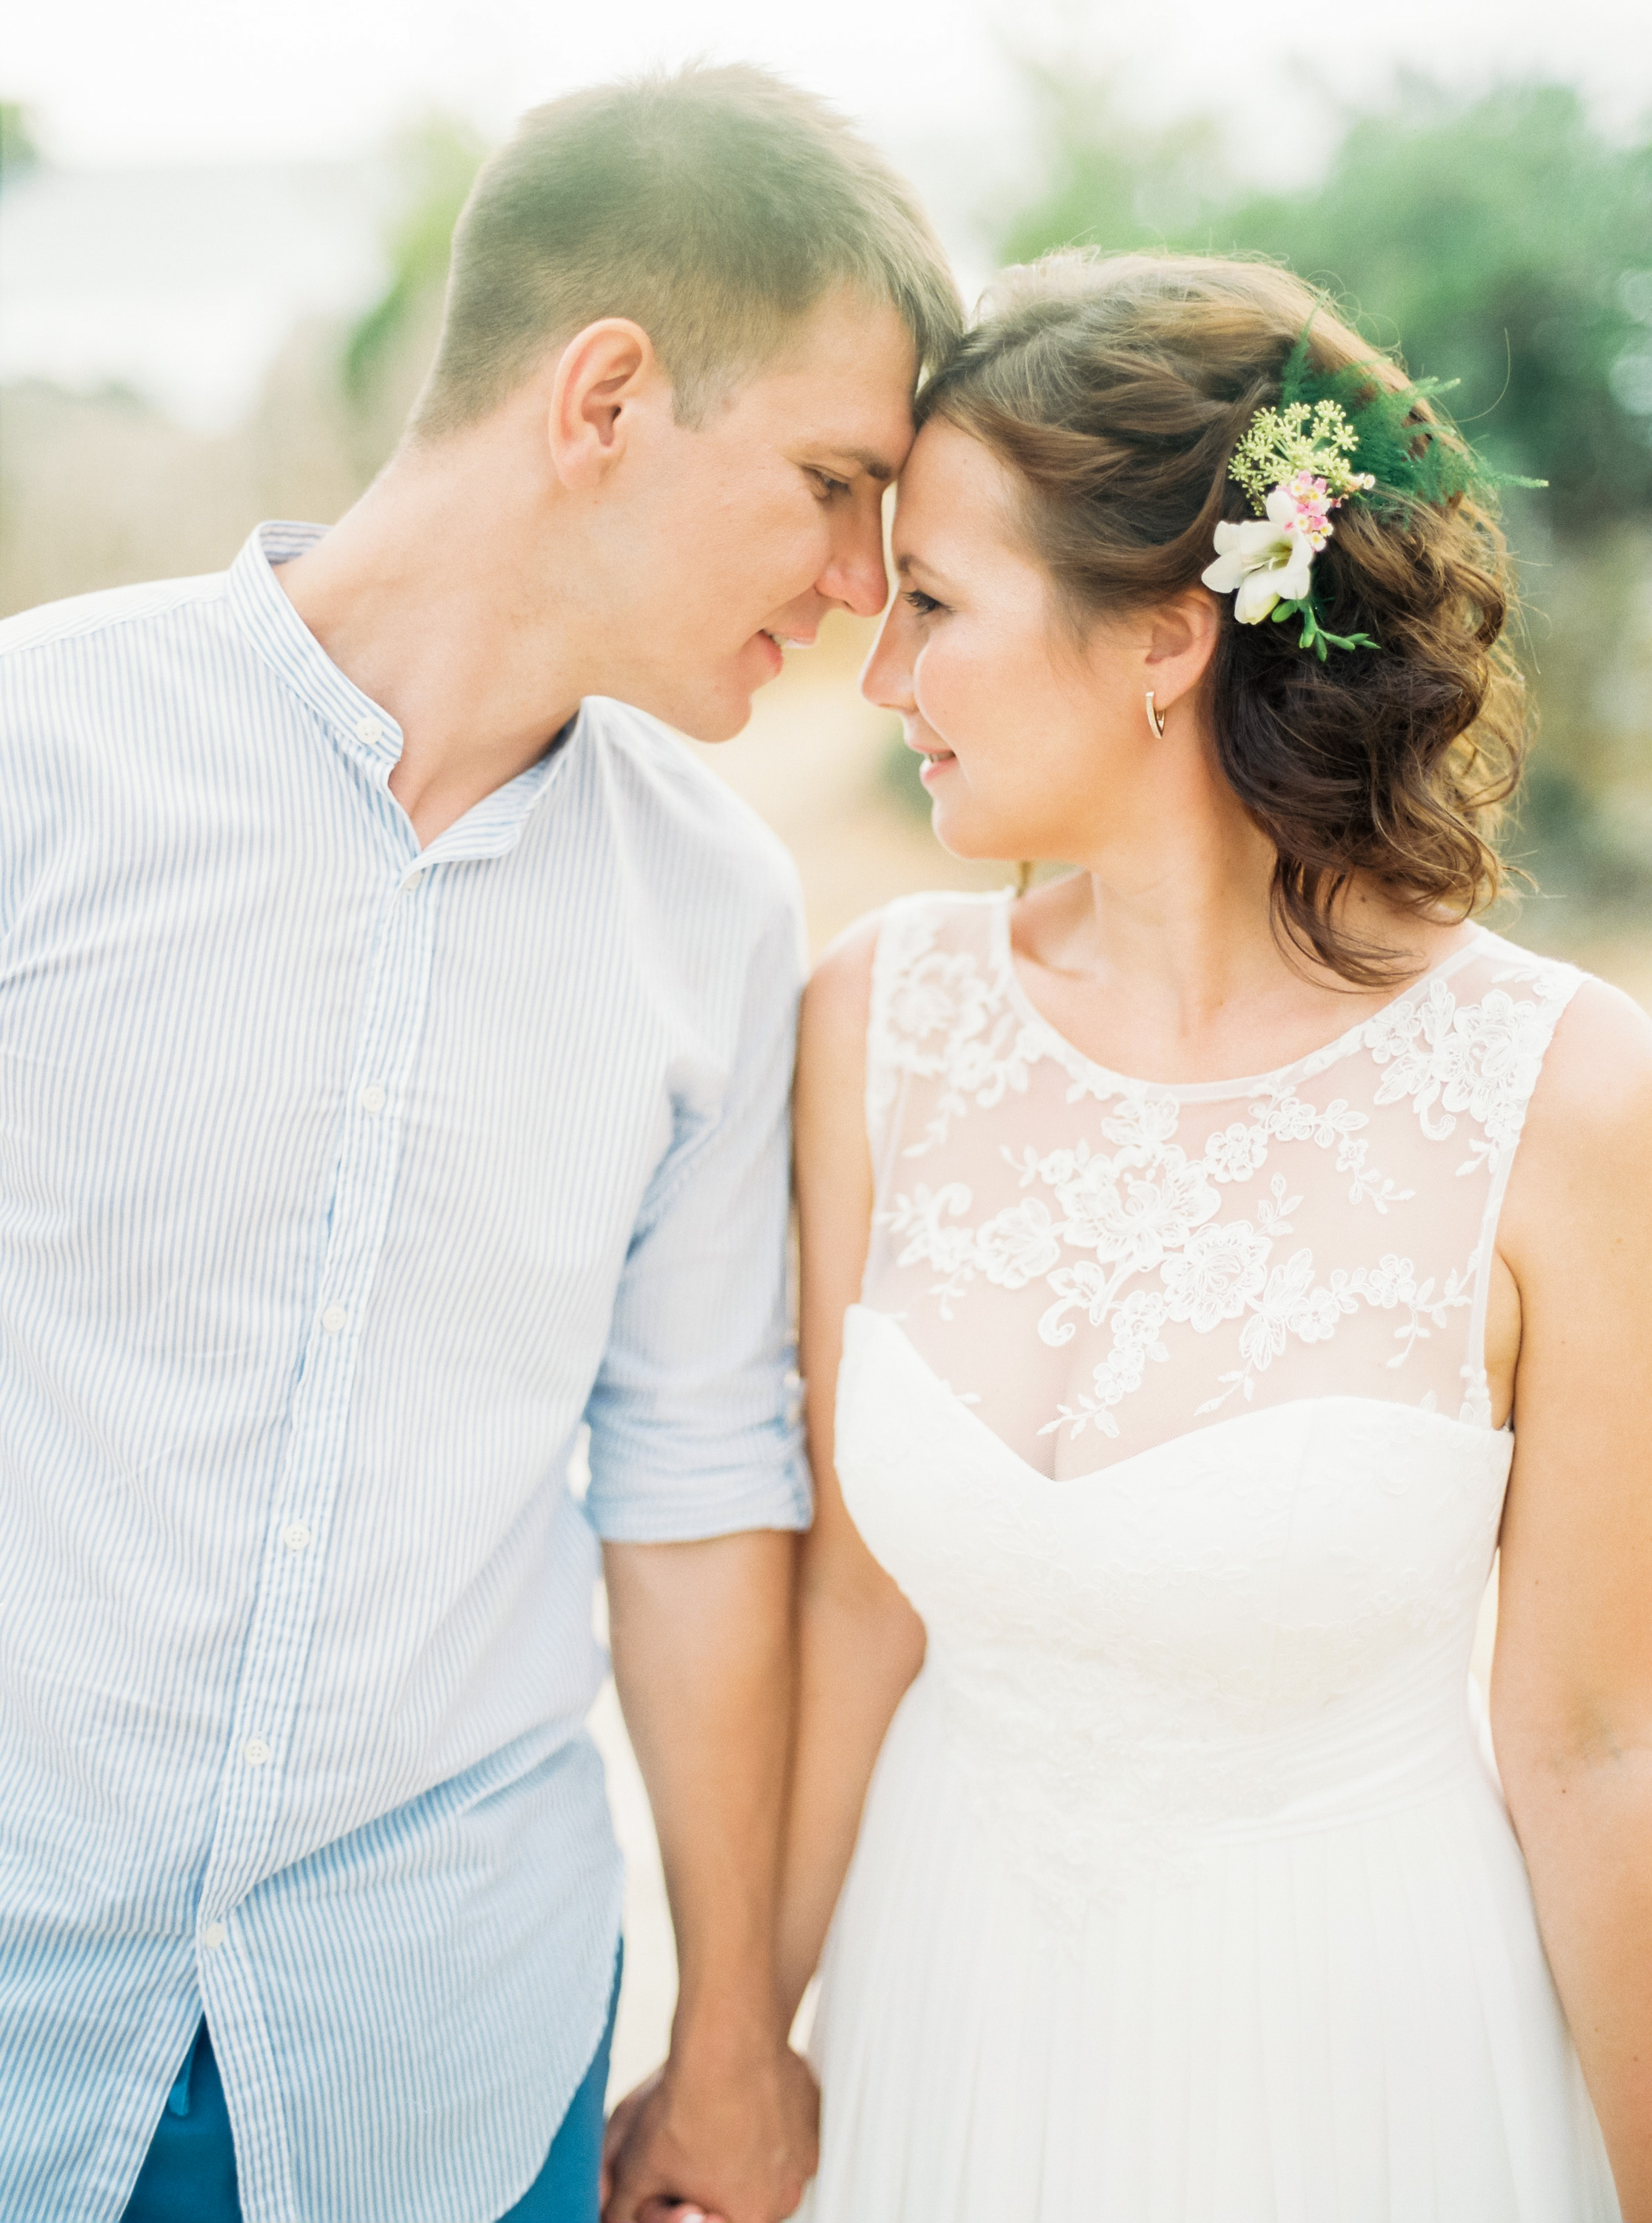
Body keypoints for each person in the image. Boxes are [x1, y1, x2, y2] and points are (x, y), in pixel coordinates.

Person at [0, 64, 959, 2223]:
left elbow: (703, 1475)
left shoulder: (718, 913)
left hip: (447, 2062)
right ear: (606, 394)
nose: (854, 583)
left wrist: (731, 2040)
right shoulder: (34, 764)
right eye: (832, 482)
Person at [784, 252, 1651, 2221]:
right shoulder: (876, 1020)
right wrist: (745, 2045)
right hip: (948, 2030)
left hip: (1365, 2081)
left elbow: (1597, 1746)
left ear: (1166, 640)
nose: (879, 674)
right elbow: (852, 1615)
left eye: (931, 602)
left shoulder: (1568, 1098)